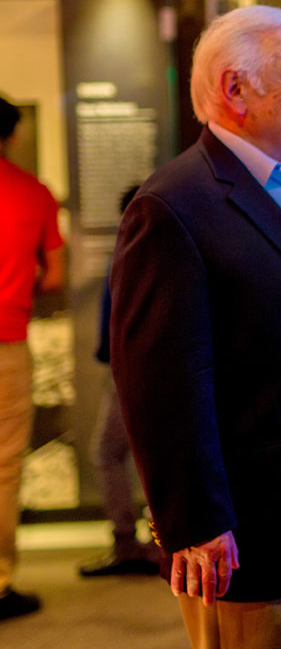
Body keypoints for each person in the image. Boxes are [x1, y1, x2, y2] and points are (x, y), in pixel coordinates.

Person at [110, 5, 281, 649]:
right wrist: (196, 521)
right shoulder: (171, 206)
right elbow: (160, 382)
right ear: (236, 90)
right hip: (258, 537)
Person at [0, 94, 63, 621]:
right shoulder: (33, 193)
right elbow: (56, 276)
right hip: (7, 340)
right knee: (3, 468)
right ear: (14, 135)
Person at [79, 185, 159, 578]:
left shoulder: (134, 247)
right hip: (139, 366)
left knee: (108, 453)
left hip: (131, 369)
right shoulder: (155, 247)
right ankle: (150, 540)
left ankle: (129, 541)